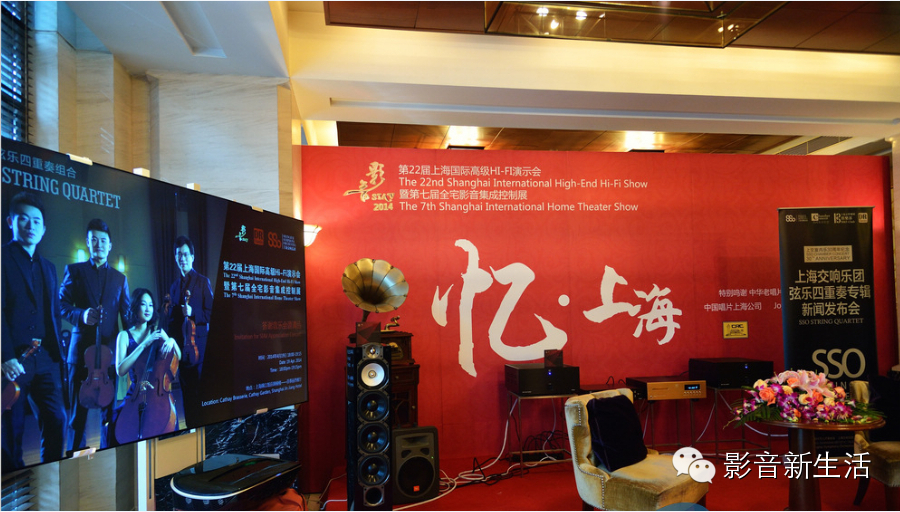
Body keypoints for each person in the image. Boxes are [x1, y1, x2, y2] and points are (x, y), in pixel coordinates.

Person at [1, 192, 67, 471]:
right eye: (23, 219)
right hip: (13, 361)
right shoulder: (2, 258)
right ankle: (12, 486)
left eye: (37, 221)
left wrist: (57, 356)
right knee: (11, 432)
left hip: (45, 359)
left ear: (44, 228)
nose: (31, 226)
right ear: (10, 222)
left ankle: (48, 477)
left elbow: (53, 315)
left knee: (58, 420)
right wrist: (5, 357)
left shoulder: (49, 268)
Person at [59, 218, 130, 452]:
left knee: (108, 415)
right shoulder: (74, 271)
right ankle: (75, 461)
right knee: (76, 417)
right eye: (94, 240)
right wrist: (81, 315)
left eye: (103, 240)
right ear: (88, 243)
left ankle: (107, 455)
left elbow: (127, 318)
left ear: (110, 245)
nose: (99, 244)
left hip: (109, 356)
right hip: (80, 355)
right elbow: (60, 305)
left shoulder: (120, 279)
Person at [111, 289, 180, 445]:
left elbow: (178, 356)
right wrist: (144, 344)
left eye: (151, 305)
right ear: (136, 307)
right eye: (143, 304)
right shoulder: (124, 336)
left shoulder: (157, 332)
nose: (148, 309)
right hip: (135, 392)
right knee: (115, 421)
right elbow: (120, 370)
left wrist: (171, 341)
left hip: (157, 393)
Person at [167, 235, 212, 427]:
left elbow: (212, 313)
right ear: (175, 258)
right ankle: (192, 430)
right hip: (183, 352)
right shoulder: (174, 286)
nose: (182, 258)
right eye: (179, 255)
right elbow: (173, 321)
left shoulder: (202, 282)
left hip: (200, 351)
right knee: (186, 397)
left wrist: (194, 313)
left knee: (201, 396)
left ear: (192, 257)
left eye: (185, 254)